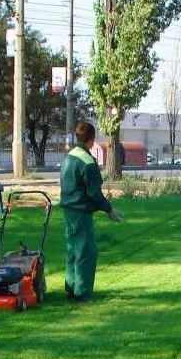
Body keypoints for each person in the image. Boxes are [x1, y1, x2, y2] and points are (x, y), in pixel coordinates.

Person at [60, 121, 122, 302]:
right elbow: (94, 193)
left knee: (72, 249)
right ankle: (82, 292)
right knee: (86, 251)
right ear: (92, 139)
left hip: (68, 210)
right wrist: (109, 209)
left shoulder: (69, 156)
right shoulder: (87, 162)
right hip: (81, 211)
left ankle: (71, 287)